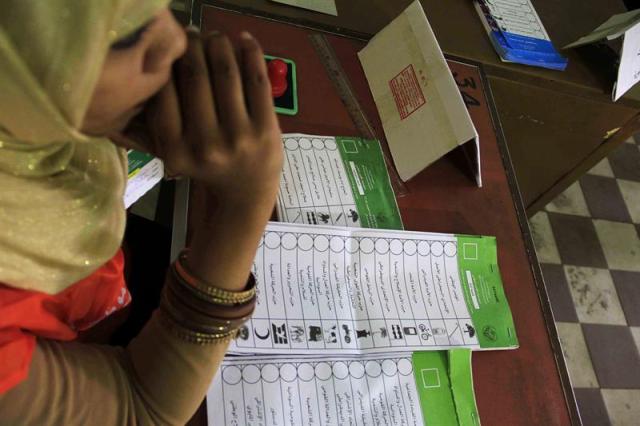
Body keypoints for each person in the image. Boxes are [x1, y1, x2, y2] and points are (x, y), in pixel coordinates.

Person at [0, 1, 283, 424]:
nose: (175, 37)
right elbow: (141, 407)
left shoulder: (25, 129)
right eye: (124, 34)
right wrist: (243, 207)